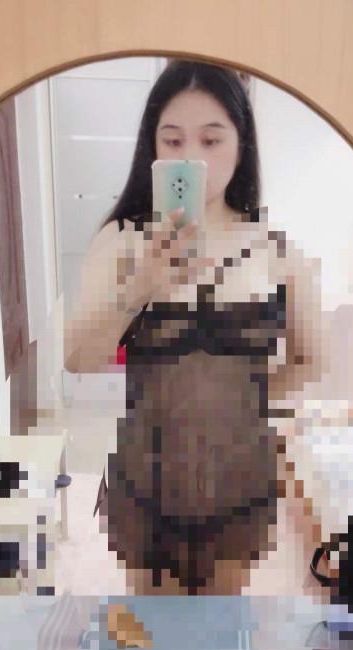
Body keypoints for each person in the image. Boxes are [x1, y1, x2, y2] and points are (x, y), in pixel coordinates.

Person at [64, 59, 325, 596]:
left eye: (210, 140)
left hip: (238, 475)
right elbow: (78, 358)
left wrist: (240, 401)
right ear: (152, 147)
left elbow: (311, 360)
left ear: (241, 144)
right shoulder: (123, 240)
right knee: (154, 628)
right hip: (147, 477)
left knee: (219, 627)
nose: (191, 158)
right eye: (173, 140)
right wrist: (141, 284)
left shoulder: (275, 250)